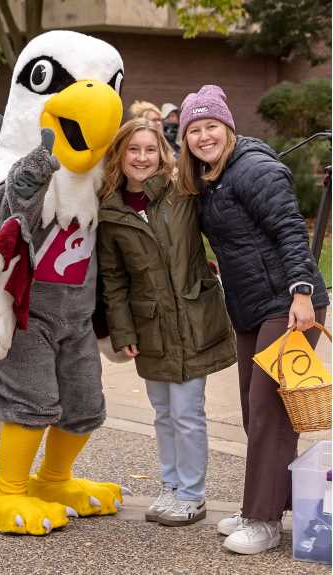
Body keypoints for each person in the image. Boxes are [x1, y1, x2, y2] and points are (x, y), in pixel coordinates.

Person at [177, 84, 329, 554]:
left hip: (286, 306)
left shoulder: (255, 169)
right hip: (251, 306)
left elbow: (289, 231)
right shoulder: (210, 176)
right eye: (194, 130)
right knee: (254, 410)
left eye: (211, 126)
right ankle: (281, 505)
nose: (204, 136)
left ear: (228, 126)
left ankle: (262, 522)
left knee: (269, 412)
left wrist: (301, 294)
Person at [97, 118, 237, 527]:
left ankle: (192, 495)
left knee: (188, 411)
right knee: (163, 411)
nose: (142, 158)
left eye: (150, 149)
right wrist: (121, 330)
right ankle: (171, 486)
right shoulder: (111, 211)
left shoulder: (183, 194)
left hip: (193, 318)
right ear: (120, 156)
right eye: (133, 150)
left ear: (163, 153)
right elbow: (114, 279)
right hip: (150, 326)